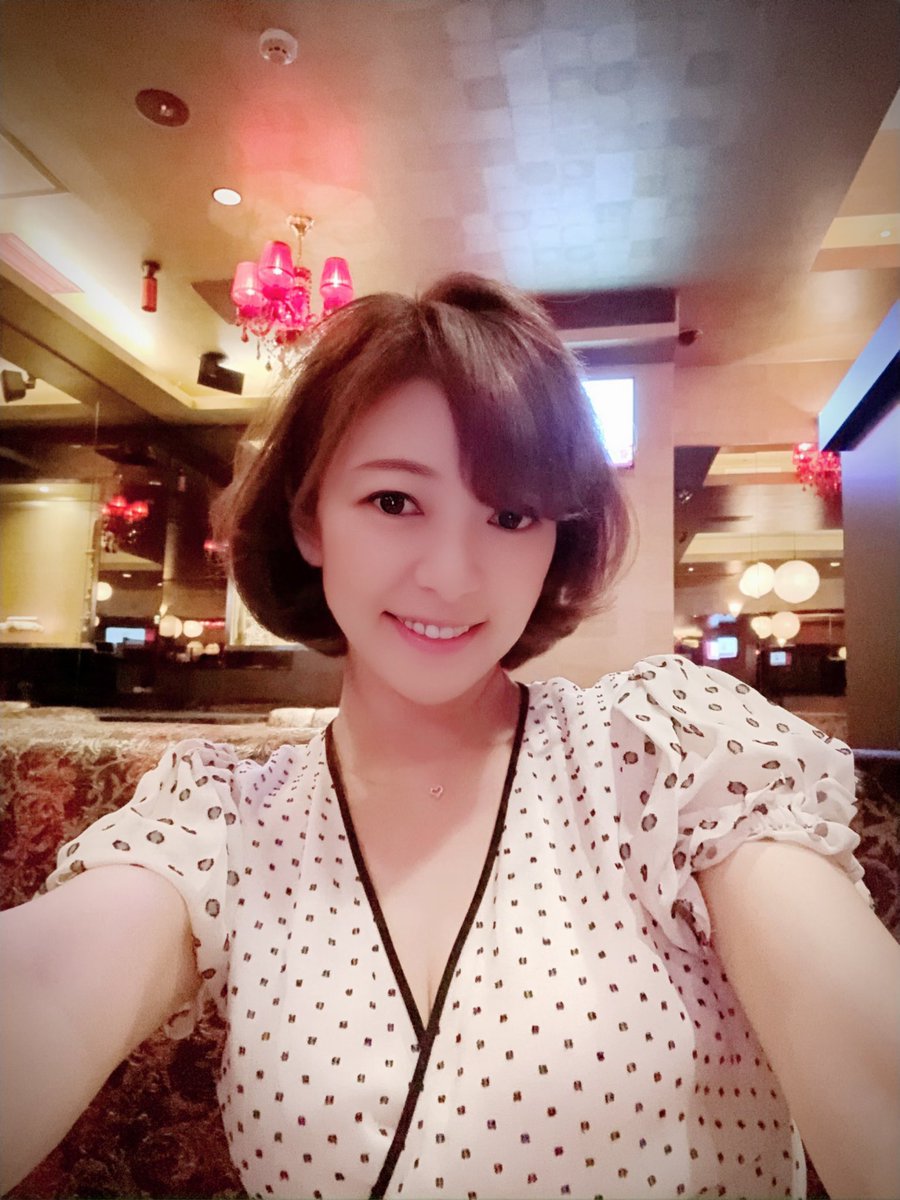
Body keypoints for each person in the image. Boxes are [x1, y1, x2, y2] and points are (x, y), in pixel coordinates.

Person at [1, 274, 897, 1200]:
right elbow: (49, 985)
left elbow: (863, 1046)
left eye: (510, 516)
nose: (453, 575)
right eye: (395, 501)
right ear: (310, 519)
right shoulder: (224, 820)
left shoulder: (662, 759)